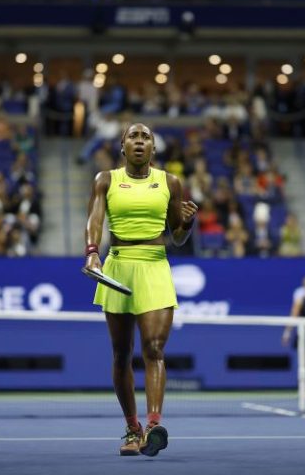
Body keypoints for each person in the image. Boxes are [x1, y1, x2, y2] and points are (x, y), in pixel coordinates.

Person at [84, 122, 198, 457]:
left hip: (155, 265)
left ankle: (153, 426)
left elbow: (177, 237)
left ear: (153, 147)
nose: (138, 141)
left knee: (154, 347)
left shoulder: (170, 182)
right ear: (122, 146)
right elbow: (94, 219)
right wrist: (92, 254)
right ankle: (131, 428)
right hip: (118, 264)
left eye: (145, 137)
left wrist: (187, 223)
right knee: (121, 354)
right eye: (132, 136)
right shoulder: (105, 179)